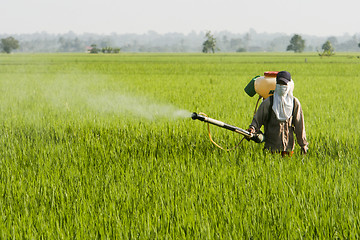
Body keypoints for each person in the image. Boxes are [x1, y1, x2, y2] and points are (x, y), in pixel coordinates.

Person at [247, 71, 308, 156]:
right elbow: (257, 120)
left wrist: (303, 144)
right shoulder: (269, 102)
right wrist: (252, 129)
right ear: (276, 84)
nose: (281, 86)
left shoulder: (294, 103)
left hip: (288, 148)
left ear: (289, 85)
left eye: (283, 84)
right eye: (279, 83)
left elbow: (299, 125)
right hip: (271, 148)